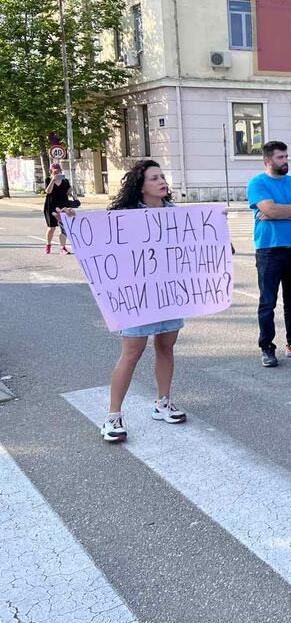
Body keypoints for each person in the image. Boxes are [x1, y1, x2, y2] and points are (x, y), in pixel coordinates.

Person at [60, 160, 188, 442]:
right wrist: (71, 220)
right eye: (154, 178)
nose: (162, 182)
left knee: (166, 347)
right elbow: (95, 236)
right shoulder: (125, 216)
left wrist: (216, 227)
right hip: (137, 296)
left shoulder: (178, 215)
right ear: (141, 186)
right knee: (132, 352)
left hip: (168, 293)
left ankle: (163, 402)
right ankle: (112, 416)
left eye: (163, 177)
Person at [248, 141, 291, 368]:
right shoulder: (258, 183)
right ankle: (267, 348)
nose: (285, 161)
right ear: (268, 160)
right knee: (267, 302)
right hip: (269, 249)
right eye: (280, 157)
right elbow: (270, 209)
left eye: (286, 156)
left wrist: (278, 213)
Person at [43, 162, 76, 254]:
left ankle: (63, 248)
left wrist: (71, 190)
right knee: (51, 228)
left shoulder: (65, 181)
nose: (56, 173)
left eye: (58, 171)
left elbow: (67, 193)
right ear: (51, 171)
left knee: (64, 228)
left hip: (63, 206)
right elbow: (48, 191)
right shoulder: (48, 179)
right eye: (54, 171)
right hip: (51, 206)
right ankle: (48, 244)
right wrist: (53, 180)